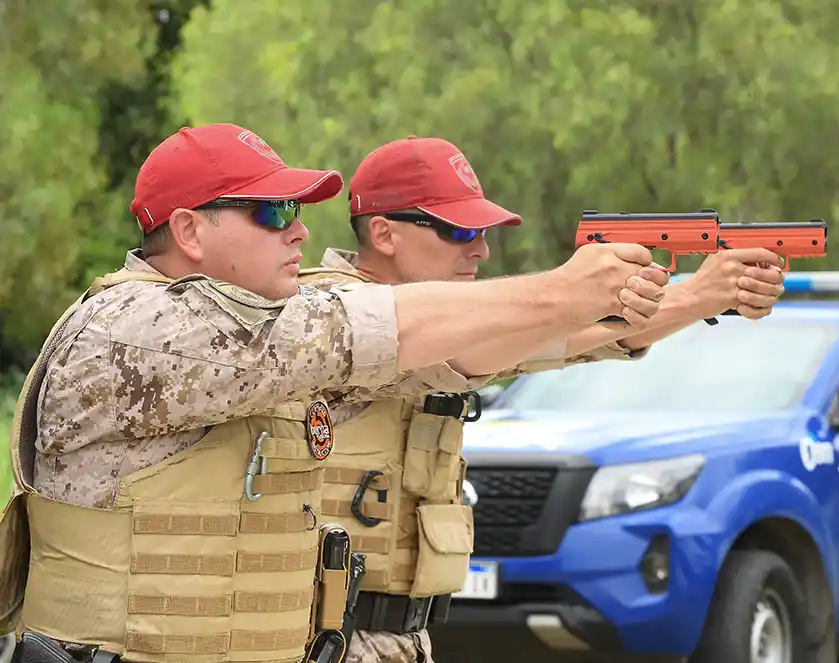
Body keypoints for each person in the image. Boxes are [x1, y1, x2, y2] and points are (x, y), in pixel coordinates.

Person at [0, 124, 672, 663]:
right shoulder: (143, 329)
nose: (298, 230)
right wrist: (562, 288)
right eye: (274, 210)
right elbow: (368, 326)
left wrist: (678, 298)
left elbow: (460, 351)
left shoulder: (255, 338)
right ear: (188, 231)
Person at [297, 136, 787, 663]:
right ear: (384, 233)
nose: (480, 249)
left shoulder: (451, 324)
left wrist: (698, 300)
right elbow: (472, 346)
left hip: (393, 634)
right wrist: (686, 296)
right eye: (459, 230)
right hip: (324, 636)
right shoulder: (330, 313)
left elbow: (553, 343)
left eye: (481, 231)